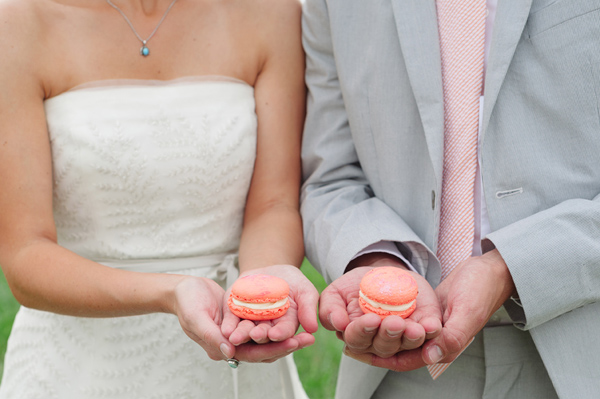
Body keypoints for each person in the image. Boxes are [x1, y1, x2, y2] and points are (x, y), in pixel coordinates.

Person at [0, 0, 318, 397]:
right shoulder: (18, 23)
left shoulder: (273, 13)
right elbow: (25, 254)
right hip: (77, 369)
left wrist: (258, 287)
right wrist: (171, 291)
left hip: (232, 345)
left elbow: (274, 204)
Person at [301, 0, 600, 398]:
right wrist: (380, 260)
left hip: (581, 342)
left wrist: (509, 266)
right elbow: (330, 177)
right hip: (402, 367)